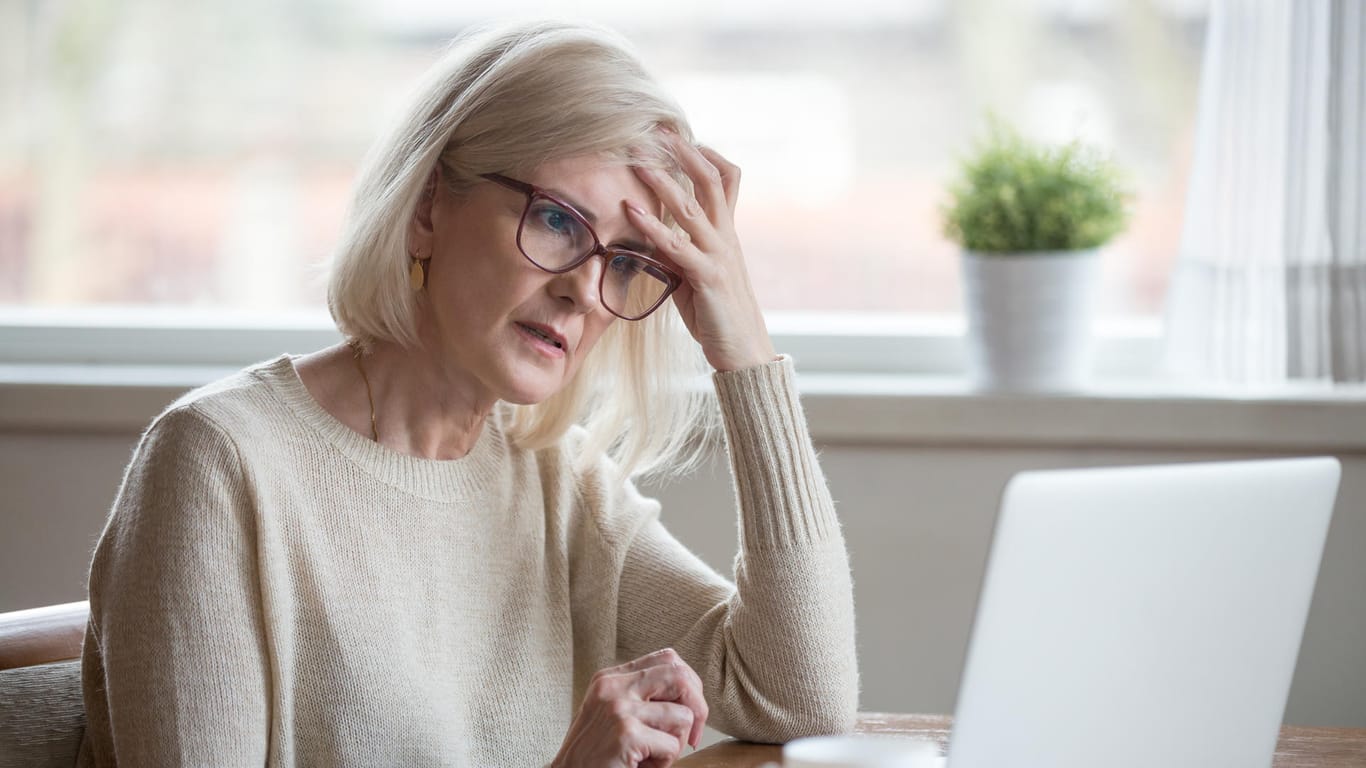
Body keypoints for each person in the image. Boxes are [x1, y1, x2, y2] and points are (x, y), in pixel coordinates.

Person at [78, 19, 858, 767]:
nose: (585, 291)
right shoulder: (217, 465)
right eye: (557, 220)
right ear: (426, 210)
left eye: (626, 262)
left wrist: (743, 346)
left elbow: (799, 697)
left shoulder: (560, 484)